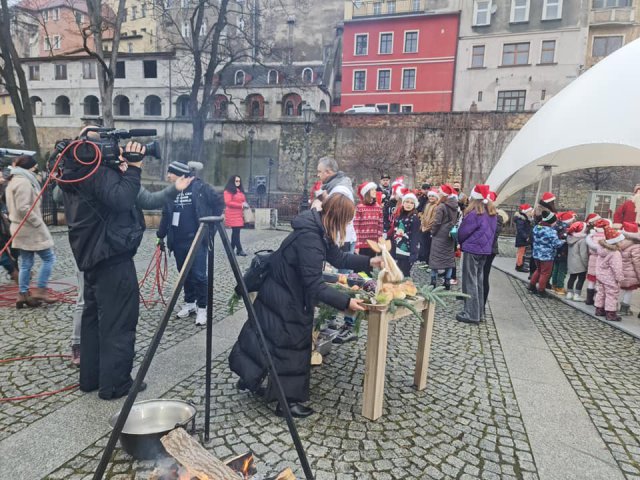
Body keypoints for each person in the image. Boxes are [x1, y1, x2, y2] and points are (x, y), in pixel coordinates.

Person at [229, 194, 381, 418]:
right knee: (292, 347)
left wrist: (369, 261)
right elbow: (314, 286)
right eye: (347, 220)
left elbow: (338, 258)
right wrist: (347, 302)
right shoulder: (311, 238)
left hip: (281, 290)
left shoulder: (318, 227)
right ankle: (287, 403)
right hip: (286, 296)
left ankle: (248, 379)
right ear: (337, 217)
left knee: (268, 339)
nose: (348, 225)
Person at [59, 136, 148, 400]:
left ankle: (91, 378)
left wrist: (120, 171)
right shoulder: (97, 174)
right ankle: (116, 384)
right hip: (112, 257)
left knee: (92, 321)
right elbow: (121, 200)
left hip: (93, 258)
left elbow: (109, 200)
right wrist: (133, 168)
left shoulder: (75, 173)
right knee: (119, 322)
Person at [158, 162, 224, 326]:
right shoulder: (172, 191)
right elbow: (166, 215)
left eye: (170, 173)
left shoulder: (200, 187)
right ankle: (190, 303)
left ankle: (202, 308)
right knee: (184, 274)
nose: (167, 176)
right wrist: (160, 236)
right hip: (178, 241)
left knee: (200, 276)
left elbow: (219, 203)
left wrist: (211, 226)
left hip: (197, 241)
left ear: (179, 173)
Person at [6, 155, 56, 308]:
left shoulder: (14, 180)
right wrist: (38, 223)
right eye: (35, 167)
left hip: (20, 227)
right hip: (28, 228)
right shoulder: (24, 182)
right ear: (31, 167)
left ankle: (23, 294)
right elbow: (23, 208)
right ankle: (40, 290)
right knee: (49, 258)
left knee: (27, 262)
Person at [456, 185, 497, 324]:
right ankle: (479, 313)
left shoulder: (474, 213)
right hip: (484, 250)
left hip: (472, 249)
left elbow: (463, 232)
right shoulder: (492, 213)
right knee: (479, 281)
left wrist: (459, 241)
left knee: (470, 282)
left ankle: (471, 313)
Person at [587, 227, 625, 322]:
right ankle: (610, 313)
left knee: (601, 293)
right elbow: (617, 267)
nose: (622, 243)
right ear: (616, 242)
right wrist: (619, 278)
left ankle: (599, 309)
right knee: (612, 295)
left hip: (600, 276)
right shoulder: (615, 253)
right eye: (621, 241)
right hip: (611, 278)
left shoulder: (601, 249)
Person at [429, 184, 458, 289]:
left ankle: (433, 281)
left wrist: (433, 232)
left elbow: (437, 222)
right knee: (449, 259)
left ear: (444, 194)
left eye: (440, 192)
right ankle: (447, 281)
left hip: (440, 235)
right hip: (449, 235)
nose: (438, 194)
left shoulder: (441, 206)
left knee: (435, 259)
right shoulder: (455, 205)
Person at [528, 211, 564, 297]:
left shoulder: (537, 228)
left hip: (537, 254)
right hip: (546, 255)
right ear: (551, 221)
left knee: (538, 270)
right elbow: (556, 244)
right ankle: (541, 290)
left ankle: (532, 286)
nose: (555, 223)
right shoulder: (551, 231)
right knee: (545, 273)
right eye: (554, 221)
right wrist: (563, 241)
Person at [483, 191, 507, 308]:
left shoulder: (497, 217)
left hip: (489, 250)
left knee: (484, 276)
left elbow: (492, 235)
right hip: (486, 249)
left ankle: (482, 303)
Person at [389, 191, 420, 277]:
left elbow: (415, 236)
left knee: (404, 274)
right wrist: (392, 250)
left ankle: (406, 289)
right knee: (397, 272)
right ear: (403, 203)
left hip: (408, 250)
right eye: (407, 202)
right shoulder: (399, 216)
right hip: (398, 248)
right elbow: (395, 233)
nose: (408, 204)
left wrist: (413, 253)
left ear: (414, 205)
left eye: (411, 203)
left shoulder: (414, 218)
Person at [353, 181, 383, 258]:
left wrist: (379, 242)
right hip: (362, 245)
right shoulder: (360, 207)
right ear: (366, 192)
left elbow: (380, 226)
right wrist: (357, 245)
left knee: (369, 267)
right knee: (360, 268)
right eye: (372, 190)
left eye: (375, 189)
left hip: (373, 244)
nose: (375, 191)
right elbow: (356, 227)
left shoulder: (378, 208)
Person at [585, 219, 610, 305]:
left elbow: (589, 249)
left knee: (591, 281)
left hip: (592, 259)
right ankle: (596, 299)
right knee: (599, 282)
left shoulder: (592, 236)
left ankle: (588, 299)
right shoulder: (606, 237)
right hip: (601, 260)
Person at [617, 222, 640, 316]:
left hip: (620, 271)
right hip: (631, 273)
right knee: (629, 290)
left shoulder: (618, 243)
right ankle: (624, 309)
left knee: (621, 289)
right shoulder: (636, 246)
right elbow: (637, 262)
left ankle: (617, 306)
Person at [550, 211, 575, 295]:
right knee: (562, 270)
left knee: (556, 269)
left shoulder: (557, 226)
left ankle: (554, 285)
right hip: (563, 252)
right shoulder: (565, 229)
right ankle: (559, 287)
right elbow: (566, 240)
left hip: (556, 252)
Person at [223, 175, 248, 257]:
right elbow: (228, 202)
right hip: (232, 214)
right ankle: (239, 249)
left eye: (239, 181)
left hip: (239, 214)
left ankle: (231, 249)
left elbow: (243, 200)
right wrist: (241, 205)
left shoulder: (239, 191)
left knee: (236, 232)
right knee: (236, 232)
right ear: (232, 181)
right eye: (236, 181)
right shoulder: (228, 191)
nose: (238, 183)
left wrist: (244, 204)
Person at [566, 221, 589, 302]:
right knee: (581, 279)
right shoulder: (582, 240)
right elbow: (583, 255)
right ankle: (577, 295)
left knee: (572, 278)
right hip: (580, 264)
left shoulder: (570, 238)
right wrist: (587, 264)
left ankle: (569, 293)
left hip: (571, 262)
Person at [418, 189, 439, 264]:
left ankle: (430, 263)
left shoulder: (437, 206)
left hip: (429, 229)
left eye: (433, 196)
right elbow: (424, 216)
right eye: (430, 196)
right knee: (425, 246)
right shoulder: (427, 205)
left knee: (429, 247)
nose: (431, 197)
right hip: (424, 228)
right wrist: (422, 225)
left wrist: (427, 228)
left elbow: (433, 219)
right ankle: (426, 262)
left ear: (436, 197)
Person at [513, 204, 533, 273]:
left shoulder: (524, 219)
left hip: (523, 238)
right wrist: (526, 237)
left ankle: (520, 264)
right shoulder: (521, 219)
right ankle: (519, 265)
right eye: (530, 211)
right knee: (521, 253)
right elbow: (520, 230)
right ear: (526, 212)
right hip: (522, 239)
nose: (531, 213)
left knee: (522, 252)